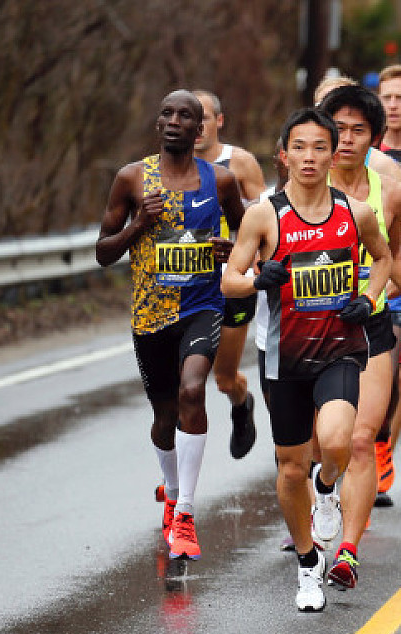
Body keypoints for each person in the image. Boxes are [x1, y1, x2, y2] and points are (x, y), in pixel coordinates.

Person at [223, 107, 391, 610]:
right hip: (285, 357)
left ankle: (328, 487)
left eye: (320, 147)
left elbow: (384, 257)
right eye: (300, 147)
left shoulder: (355, 213)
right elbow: (230, 279)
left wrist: (369, 297)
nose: (310, 157)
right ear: (284, 155)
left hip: (339, 347)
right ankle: (306, 563)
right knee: (291, 468)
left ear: (333, 153)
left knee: (338, 441)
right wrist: (258, 280)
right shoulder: (264, 215)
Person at [95, 90, 244, 560]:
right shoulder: (132, 179)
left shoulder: (221, 181)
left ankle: (186, 512)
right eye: (167, 113)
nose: (174, 120)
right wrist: (138, 224)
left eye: (185, 115)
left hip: (203, 306)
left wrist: (232, 252)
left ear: (200, 130)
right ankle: (172, 489)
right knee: (163, 419)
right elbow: (103, 252)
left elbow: (250, 235)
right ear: (158, 123)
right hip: (151, 315)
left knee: (192, 392)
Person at [315, 85, 401, 588]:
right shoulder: (304, 183)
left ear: (375, 138)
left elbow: (398, 249)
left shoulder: (390, 188)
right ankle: (324, 489)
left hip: (369, 323)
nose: (347, 139)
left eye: (358, 130)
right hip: (310, 328)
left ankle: (348, 551)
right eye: (338, 129)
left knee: (362, 439)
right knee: (321, 445)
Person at [192, 89, 266, 459]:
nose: (196, 127)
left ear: (218, 121)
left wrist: (257, 260)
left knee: (222, 379)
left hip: (232, 282)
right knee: (185, 378)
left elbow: (267, 216)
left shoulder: (240, 163)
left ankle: (241, 401)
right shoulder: (168, 166)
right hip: (188, 283)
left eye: (203, 118)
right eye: (189, 119)